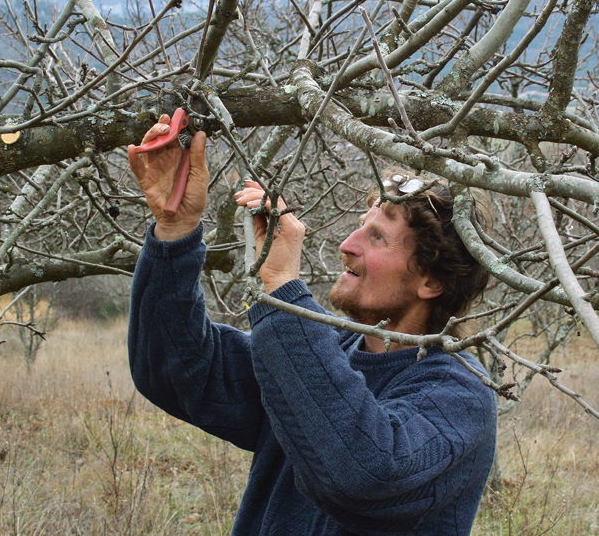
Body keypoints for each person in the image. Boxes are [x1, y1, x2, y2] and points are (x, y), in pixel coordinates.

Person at [127, 113, 497, 536]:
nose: (346, 246)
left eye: (377, 238)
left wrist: (283, 287)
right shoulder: (328, 352)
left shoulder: (460, 396)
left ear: (432, 280)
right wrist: (177, 230)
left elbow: (362, 474)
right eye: (361, 228)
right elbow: (178, 370)